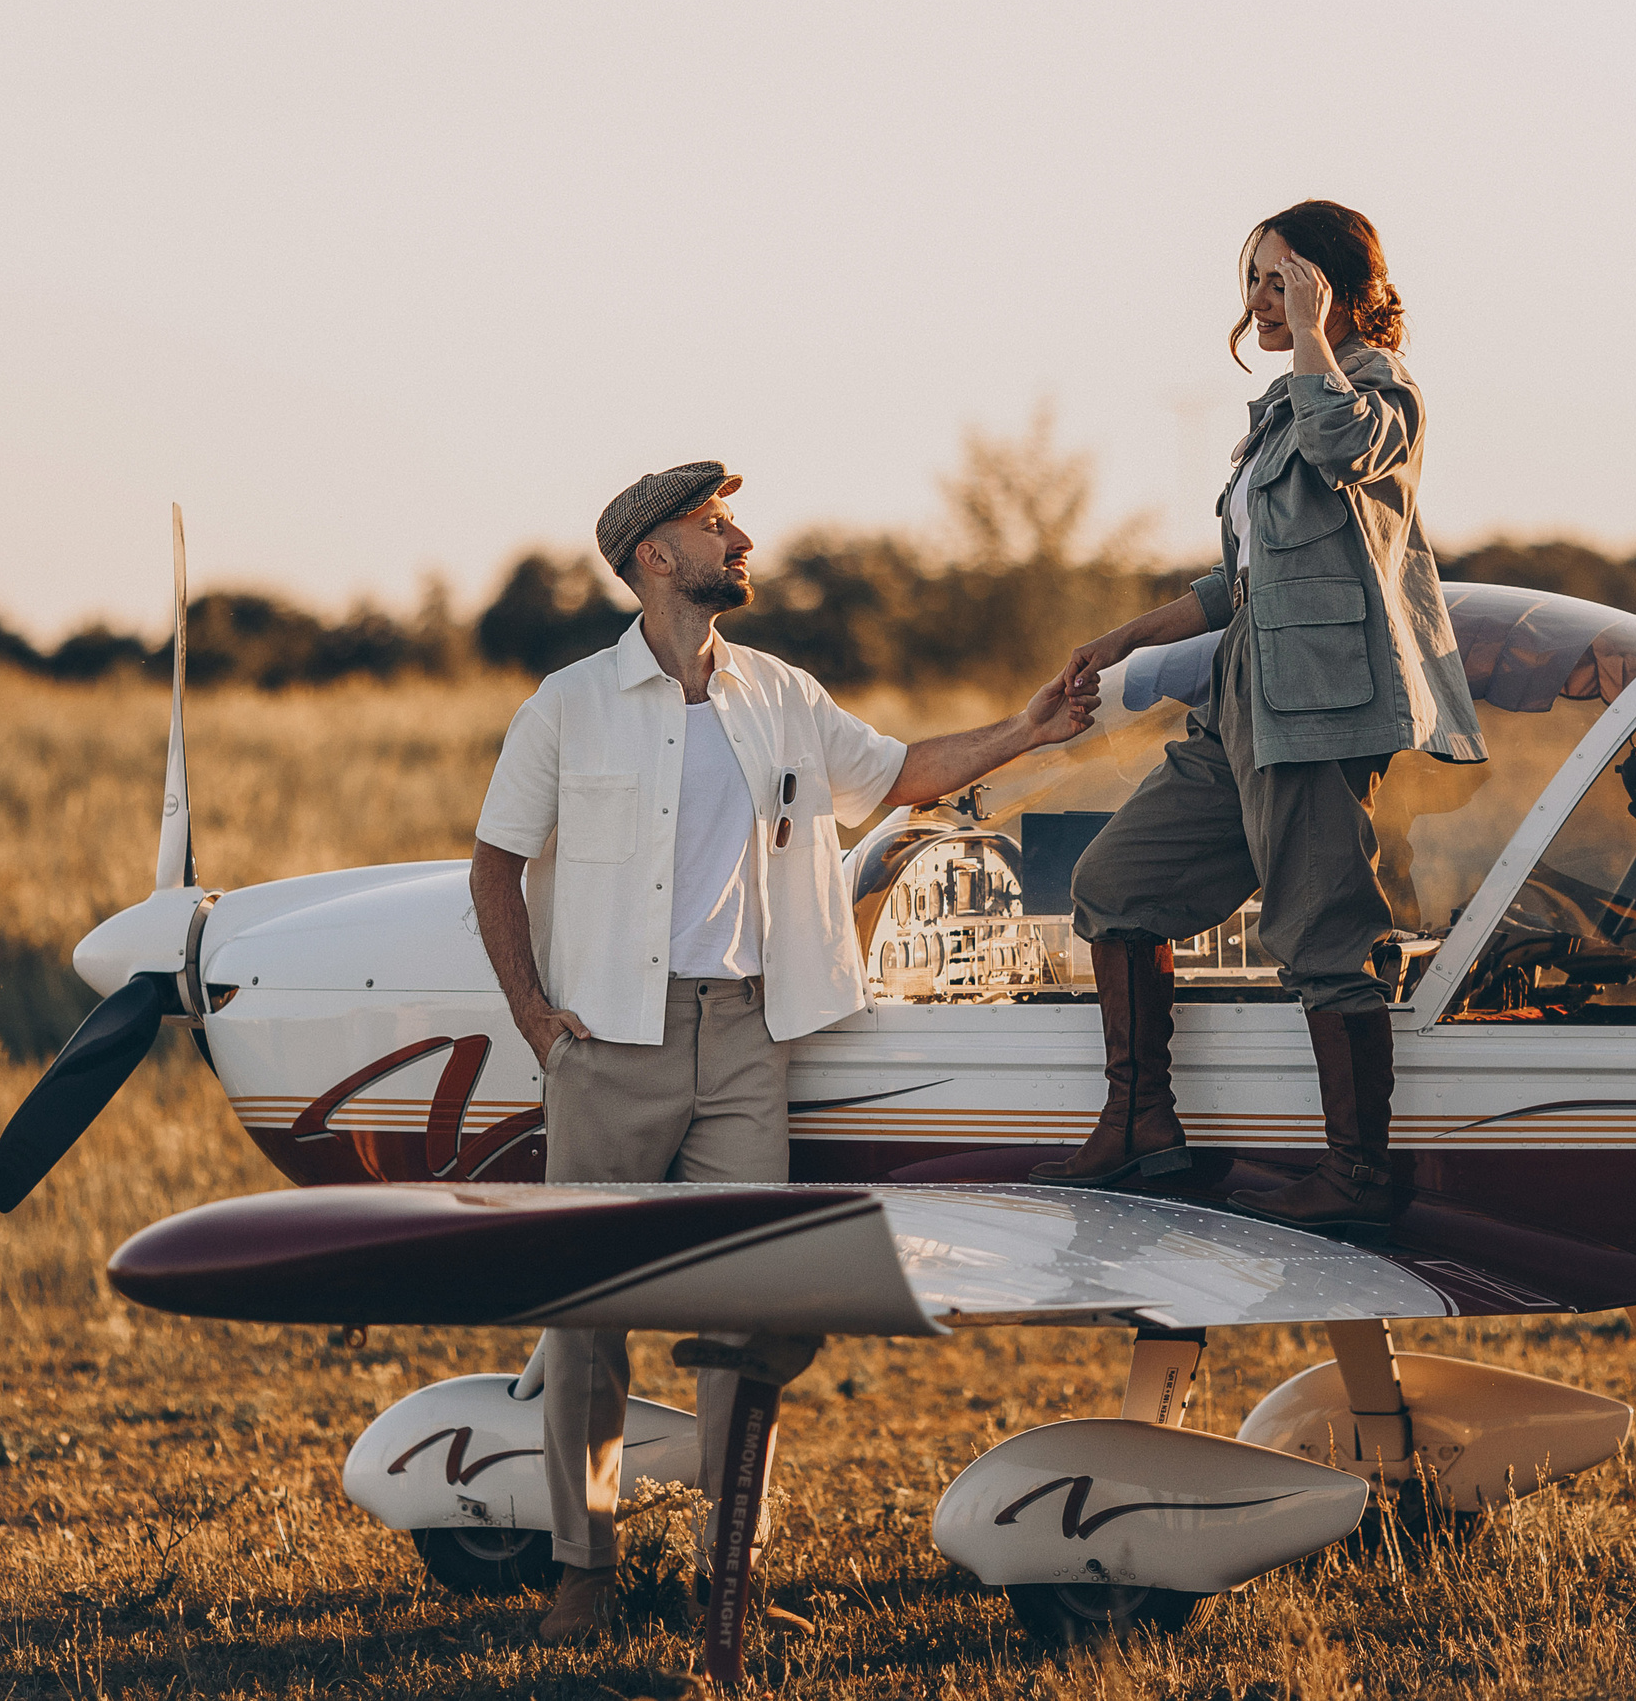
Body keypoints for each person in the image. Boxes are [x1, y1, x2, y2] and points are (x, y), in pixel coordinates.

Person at [469, 460, 1092, 1644]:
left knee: (746, 1316)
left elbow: (897, 775)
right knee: (587, 1321)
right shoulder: (566, 704)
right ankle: (581, 1575)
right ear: (655, 556)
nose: (738, 537)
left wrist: (1027, 729)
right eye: (714, 526)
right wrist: (536, 1020)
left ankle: (727, 1581)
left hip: (749, 1039)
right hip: (609, 1045)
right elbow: (495, 861)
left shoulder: (779, 694)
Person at [1030, 201, 1484, 1230]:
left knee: (1321, 931)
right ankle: (1142, 1128)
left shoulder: (1375, 392)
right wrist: (1123, 640)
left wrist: (1320, 339)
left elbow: (1346, 452)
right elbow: (1233, 582)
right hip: (1239, 703)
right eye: (1253, 284)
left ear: (1331, 286)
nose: (1259, 304)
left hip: (1316, 708)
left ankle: (1358, 1181)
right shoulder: (1280, 409)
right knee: (1113, 884)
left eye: (1278, 281)